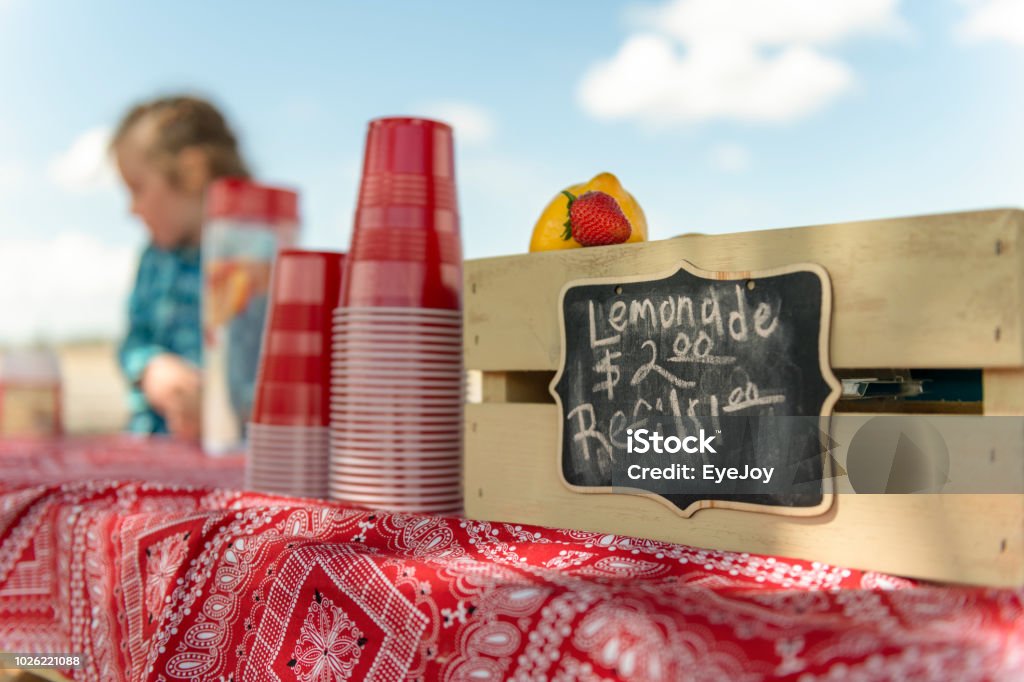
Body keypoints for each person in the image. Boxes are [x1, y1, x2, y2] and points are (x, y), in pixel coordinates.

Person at [111, 95, 251, 440]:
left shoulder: (253, 258)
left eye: (137, 188)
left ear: (191, 171)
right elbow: (133, 340)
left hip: (232, 450)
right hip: (152, 440)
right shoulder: (153, 261)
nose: (132, 209)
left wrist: (222, 406)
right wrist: (151, 369)